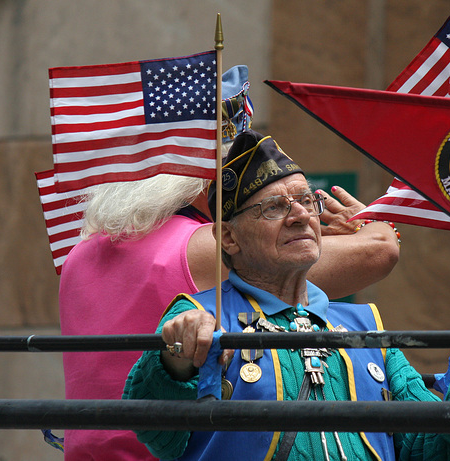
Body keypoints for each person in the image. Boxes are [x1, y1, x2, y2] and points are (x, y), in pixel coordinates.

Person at [123, 129, 450, 461]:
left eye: (306, 201)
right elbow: (157, 430)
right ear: (228, 237)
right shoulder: (201, 313)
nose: (301, 215)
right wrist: (176, 356)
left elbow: (438, 448)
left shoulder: (365, 326)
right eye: (274, 207)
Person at [58, 68, 400, 460]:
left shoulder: (80, 254)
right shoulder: (200, 245)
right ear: (210, 181)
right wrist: (379, 224)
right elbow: (374, 254)